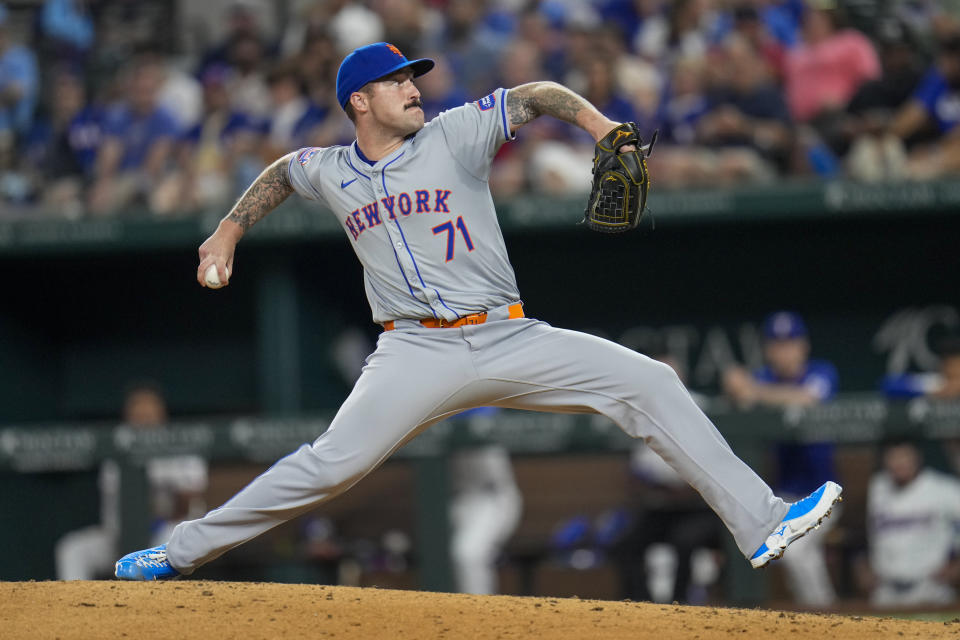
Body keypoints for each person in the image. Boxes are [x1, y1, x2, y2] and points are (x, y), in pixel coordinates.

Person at [113, 41, 841, 581]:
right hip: (411, 355)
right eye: (395, 81)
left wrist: (598, 126)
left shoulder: (455, 134)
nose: (412, 88)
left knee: (649, 382)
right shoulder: (331, 170)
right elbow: (279, 174)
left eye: (413, 77)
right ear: (358, 101)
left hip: (506, 334)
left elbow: (534, 94)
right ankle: (178, 551)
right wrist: (230, 229)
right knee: (327, 466)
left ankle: (763, 522)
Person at [723, 311, 840, 607]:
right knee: (753, 546)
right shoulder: (764, 378)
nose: (785, 351)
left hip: (825, 492)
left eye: (791, 343)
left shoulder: (822, 371)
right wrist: (739, 388)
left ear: (804, 346)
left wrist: (753, 391)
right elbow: (740, 396)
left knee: (798, 551)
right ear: (768, 350)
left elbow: (807, 398)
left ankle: (829, 621)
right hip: (781, 495)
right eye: (777, 344)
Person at [55, 383, 208, 580]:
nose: (144, 420)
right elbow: (123, 504)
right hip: (120, 536)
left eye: (149, 414)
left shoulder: (182, 447)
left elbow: (193, 502)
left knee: (169, 539)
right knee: (72, 549)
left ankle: (157, 605)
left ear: (162, 415)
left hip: (167, 533)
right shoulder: (116, 449)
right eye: (138, 415)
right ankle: (72, 608)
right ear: (128, 417)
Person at [861, 437, 960, 608]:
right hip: (886, 590)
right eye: (893, 457)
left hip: (931, 589)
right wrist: (862, 566)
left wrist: (956, 567)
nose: (899, 463)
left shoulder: (944, 488)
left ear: (917, 458)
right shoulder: (878, 486)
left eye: (904, 456)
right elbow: (864, 534)